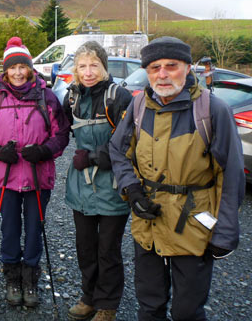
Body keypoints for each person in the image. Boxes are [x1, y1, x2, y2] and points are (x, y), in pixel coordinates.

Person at [109, 36, 245, 321]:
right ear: (146, 71)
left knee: (187, 312)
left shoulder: (212, 110)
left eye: (171, 65)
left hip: (194, 225)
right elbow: (117, 150)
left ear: (187, 66)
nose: (162, 74)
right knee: (149, 305)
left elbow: (231, 175)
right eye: (154, 67)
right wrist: (132, 190)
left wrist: (226, 231)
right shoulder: (139, 106)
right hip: (149, 223)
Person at [0, 37, 70, 307]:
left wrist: (44, 151)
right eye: (12, 68)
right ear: (5, 70)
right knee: (9, 228)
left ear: (30, 69)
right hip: (6, 177)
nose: (18, 73)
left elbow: (62, 134)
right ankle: (12, 278)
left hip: (38, 176)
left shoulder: (47, 96)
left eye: (22, 67)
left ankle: (30, 280)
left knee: (34, 228)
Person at [63, 41, 132, 321]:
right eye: (82, 66)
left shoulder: (119, 97)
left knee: (108, 250)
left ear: (104, 67)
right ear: (76, 70)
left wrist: (93, 157)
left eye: (94, 65)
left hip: (113, 185)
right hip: (81, 187)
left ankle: (108, 305)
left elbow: (129, 142)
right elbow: (57, 129)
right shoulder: (72, 97)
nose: (88, 72)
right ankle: (89, 297)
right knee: (85, 247)